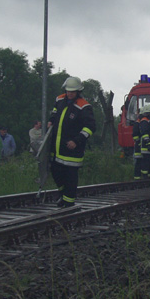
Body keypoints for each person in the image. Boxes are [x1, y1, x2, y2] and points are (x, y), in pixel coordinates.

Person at [48, 76, 96, 206]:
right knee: (55, 171)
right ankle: (63, 195)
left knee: (70, 176)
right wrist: (51, 120)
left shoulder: (84, 106)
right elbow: (54, 112)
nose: (69, 94)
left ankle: (69, 203)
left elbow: (90, 127)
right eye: (68, 91)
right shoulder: (59, 99)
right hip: (57, 148)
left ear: (78, 92)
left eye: (72, 92)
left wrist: (77, 140)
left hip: (73, 149)